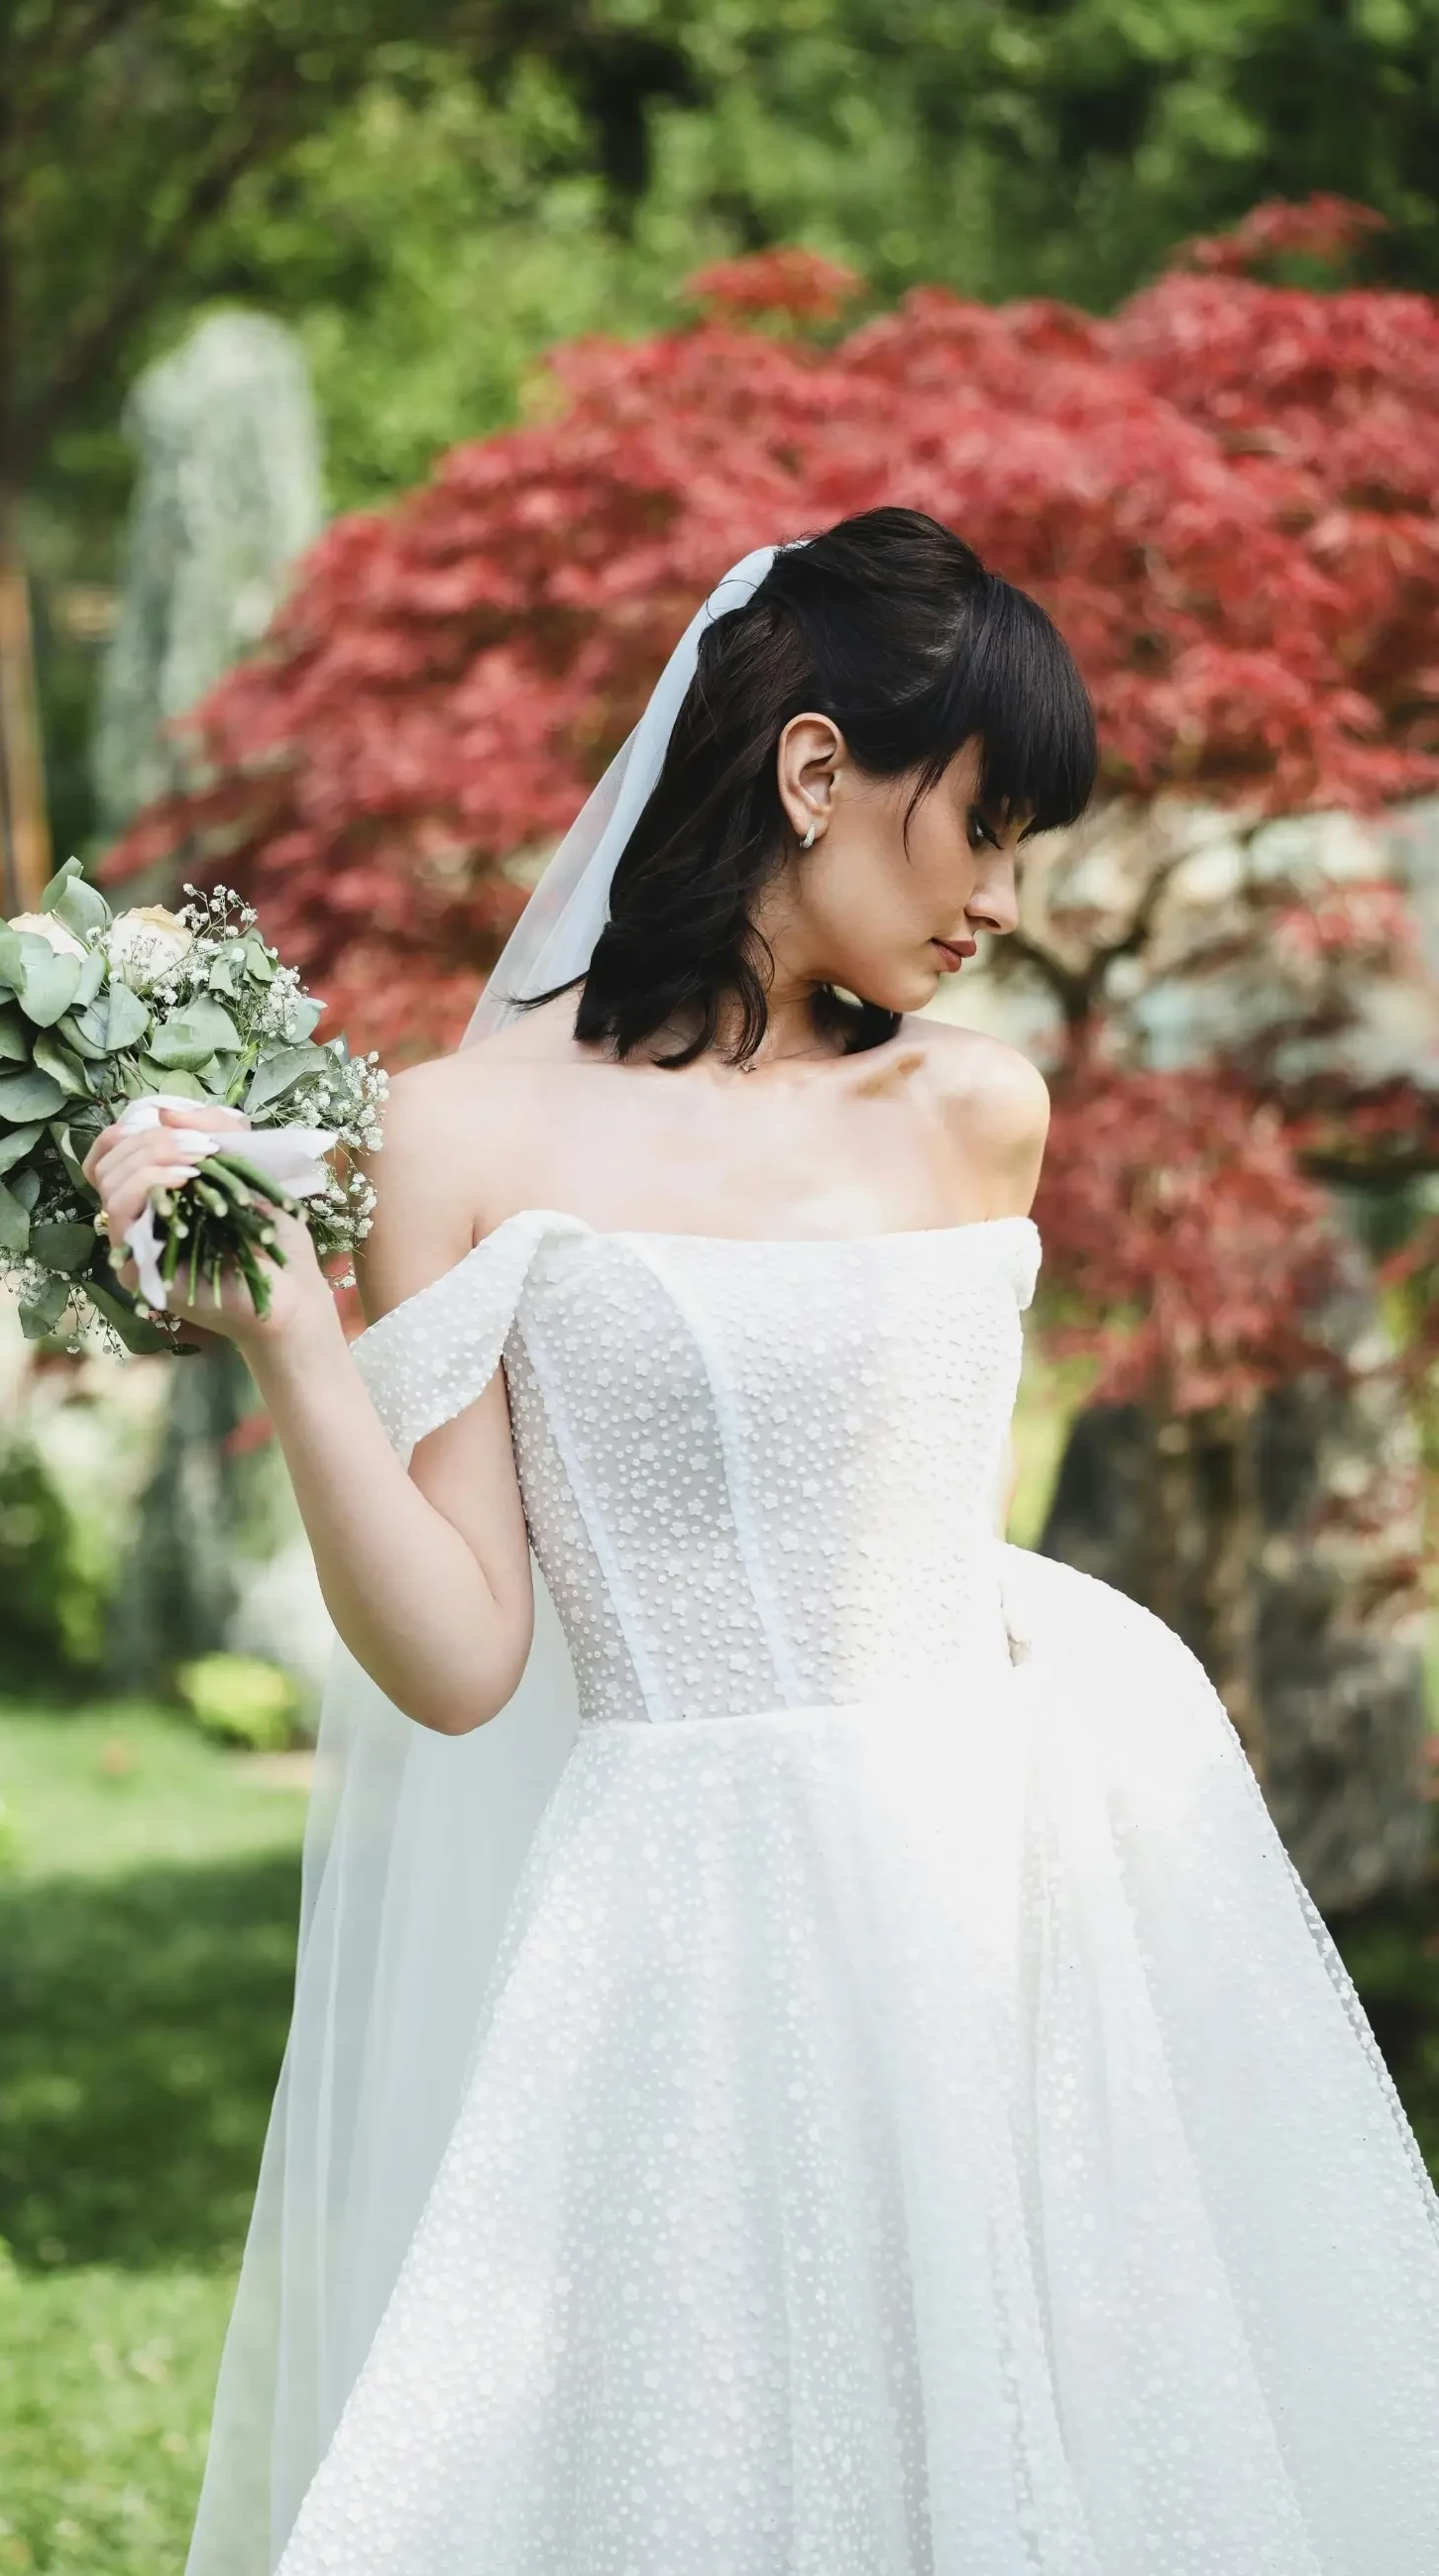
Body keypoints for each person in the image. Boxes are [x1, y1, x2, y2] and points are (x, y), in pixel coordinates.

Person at [88, 508, 1439, 2576]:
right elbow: (456, 1656)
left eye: (1025, 850)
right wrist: (290, 1328)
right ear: (814, 771)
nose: (999, 900)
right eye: (978, 830)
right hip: (674, 1928)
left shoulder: (975, 1112)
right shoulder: (460, 1136)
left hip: (1004, 1896)